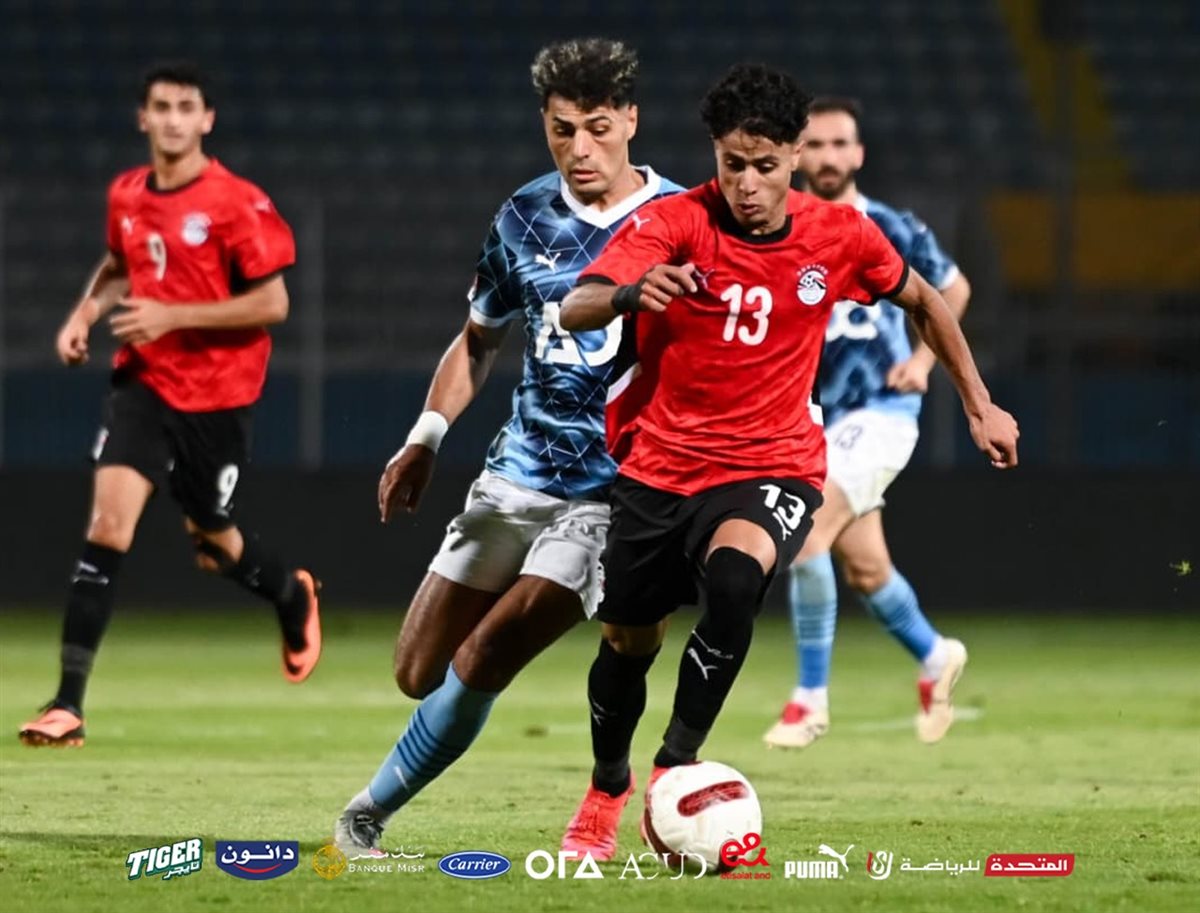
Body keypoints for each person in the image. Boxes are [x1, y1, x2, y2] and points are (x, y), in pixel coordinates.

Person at [556, 63, 1019, 861]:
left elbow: (927, 300)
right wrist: (633, 292)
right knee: (629, 641)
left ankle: (673, 767)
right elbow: (577, 302)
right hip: (661, 464)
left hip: (773, 460)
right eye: (732, 163)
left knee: (737, 581)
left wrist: (979, 404)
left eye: (764, 165)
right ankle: (606, 785)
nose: (746, 183)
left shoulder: (839, 235)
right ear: (715, 152)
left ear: (795, 156)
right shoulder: (675, 222)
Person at [332, 38, 682, 853]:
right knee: (417, 669)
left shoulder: (681, 219)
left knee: (492, 647)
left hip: (613, 489)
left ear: (631, 120)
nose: (580, 148)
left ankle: (364, 816)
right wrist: (425, 437)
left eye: (598, 127)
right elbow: (478, 341)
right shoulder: (521, 217)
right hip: (516, 474)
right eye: (563, 130)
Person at [18, 62, 321, 748]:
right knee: (107, 525)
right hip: (145, 386)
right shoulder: (126, 193)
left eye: (187, 107)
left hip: (219, 397)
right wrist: (84, 315)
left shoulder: (237, 202)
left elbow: (273, 301)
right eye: (162, 107)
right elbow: (120, 265)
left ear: (207, 119)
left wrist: (172, 314)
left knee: (213, 540)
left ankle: (290, 593)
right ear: (143, 118)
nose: (174, 119)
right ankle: (67, 704)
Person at [763, 97, 973, 750]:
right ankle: (935, 655)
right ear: (797, 155)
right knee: (867, 570)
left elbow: (954, 288)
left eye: (840, 144)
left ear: (858, 153)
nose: (828, 156)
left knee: (804, 535)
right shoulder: (778, 230)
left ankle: (809, 699)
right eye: (816, 144)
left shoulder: (889, 225)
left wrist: (923, 360)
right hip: (814, 421)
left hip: (880, 411)